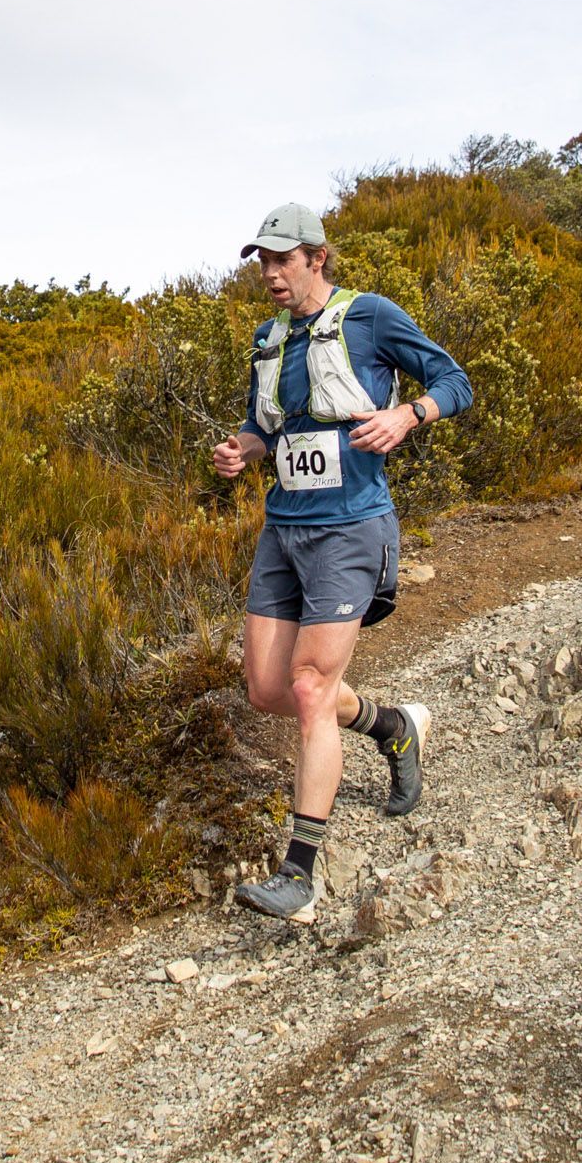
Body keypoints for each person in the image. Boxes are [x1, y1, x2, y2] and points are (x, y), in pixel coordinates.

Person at [211, 202, 473, 922]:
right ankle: (393, 727)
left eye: (279, 260)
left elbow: (456, 383)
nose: (268, 274)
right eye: (260, 262)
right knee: (268, 689)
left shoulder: (372, 316)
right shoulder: (268, 339)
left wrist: (407, 415)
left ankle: (298, 874)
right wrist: (243, 451)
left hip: (351, 529)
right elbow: (266, 428)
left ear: (315, 258)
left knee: (306, 686)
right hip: (283, 532)